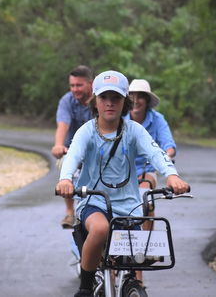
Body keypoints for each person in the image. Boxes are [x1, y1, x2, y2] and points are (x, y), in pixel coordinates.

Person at [55, 70, 189, 297]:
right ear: (95, 101)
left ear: (125, 102)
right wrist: (65, 180)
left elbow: (156, 152)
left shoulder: (134, 131)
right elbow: (72, 157)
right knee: (100, 229)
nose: (109, 103)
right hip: (94, 200)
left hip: (129, 205)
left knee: (129, 258)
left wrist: (172, 175)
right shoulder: (86, 131)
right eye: (104, 98)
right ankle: (85, 287)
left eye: (116, 98)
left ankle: (128, 284)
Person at [126, 78, 177, 284]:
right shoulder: (119, 117)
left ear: (147, 101)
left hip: (147, 170)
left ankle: (143, 257)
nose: (136, 101)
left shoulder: (157, 120)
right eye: (132, 96)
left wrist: (166, 158)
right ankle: (111, 266)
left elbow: (169, 145)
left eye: (140, 97)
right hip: (121, 172)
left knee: (146, 199)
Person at [51, 65, 93, 229]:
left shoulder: (100, 100)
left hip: (96, 149)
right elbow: (62, 125)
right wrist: (58, 145)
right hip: (72, 149)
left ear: (90, 84)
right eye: (72, 85)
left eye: (79, 85)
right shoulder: (67, 100)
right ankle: (70, 211)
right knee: (65, 164)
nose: (75, 89)